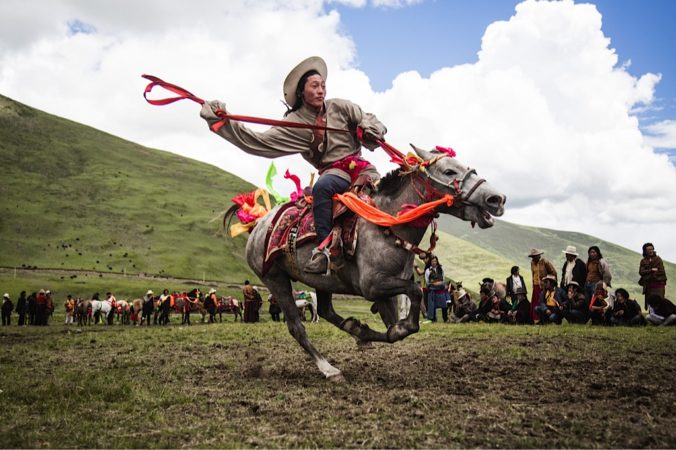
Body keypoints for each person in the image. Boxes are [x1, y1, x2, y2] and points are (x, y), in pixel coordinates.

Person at [200, 56, 387, 274]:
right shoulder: (295, 124)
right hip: (334, 173)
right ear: (301, 92)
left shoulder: (341, 107)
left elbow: (371, 120)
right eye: (314, 86)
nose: (321, 91)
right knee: (322, 188)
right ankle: (325, 251)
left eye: (323, 86)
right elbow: (258, 142)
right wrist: (222, 121)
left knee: (389, 192)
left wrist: (369, 128)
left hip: (363, 168)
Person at [528, 248, 557, 323]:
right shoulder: (532, 263)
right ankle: (534, 319)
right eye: (533, 256)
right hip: (535, 285)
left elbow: (553, 272)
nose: (534, 257)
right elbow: (533, 274)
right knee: (535, 302)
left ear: (539, 255)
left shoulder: (545, 262)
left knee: (542, 301)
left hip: (543, 286)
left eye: (536, 256)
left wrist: (550, 283)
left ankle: (542, 319)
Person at [638, 243, 668, 310]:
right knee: (650, 304)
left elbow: (661, 272)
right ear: (645, 251)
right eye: (648, 249)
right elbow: (641, 272)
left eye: (652, 249)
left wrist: (648, 275)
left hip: (659, 286)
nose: (651, 251)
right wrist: (651, 270)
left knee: (660, 303)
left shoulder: (658, 259)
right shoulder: (643, 261)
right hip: (649, 287)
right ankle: (651, 318)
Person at [424, 256, 449, 322]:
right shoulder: (428, 270)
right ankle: (433, 319)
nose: (434, 262)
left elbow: (443, 279)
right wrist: (435, 284)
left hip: (440, 290)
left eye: (435, 261)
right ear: (430, 262)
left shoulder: (441, 269)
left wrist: (439, 283)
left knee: (444, 306)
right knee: (433, 306)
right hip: (432, 291)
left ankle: (445, 319)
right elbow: (427, 282)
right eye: (433, 261)